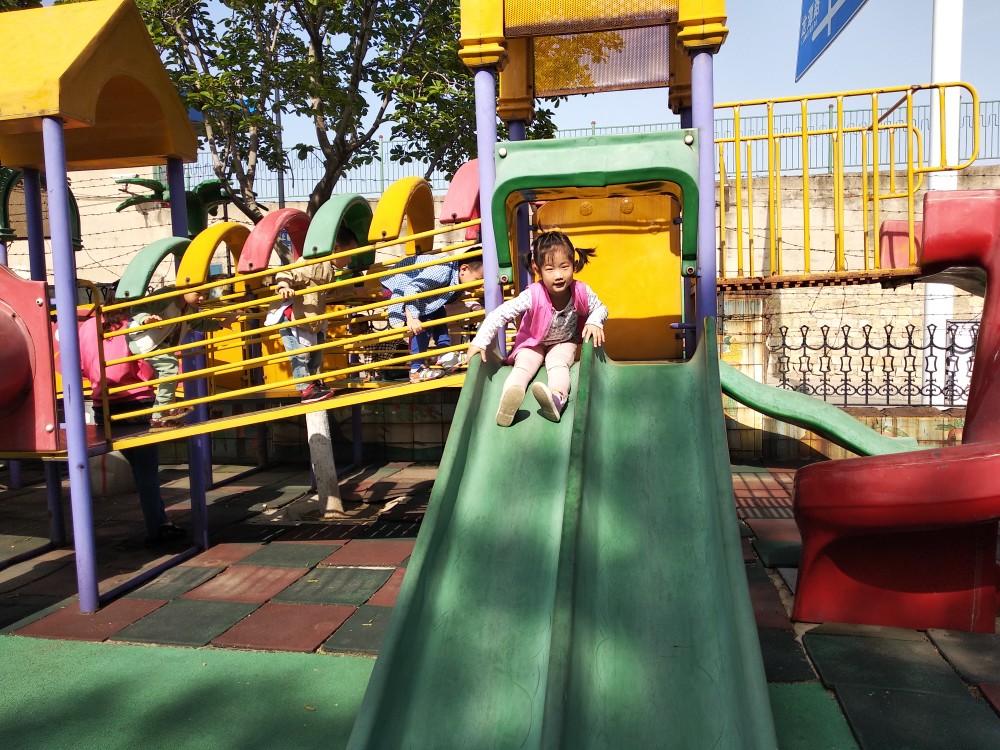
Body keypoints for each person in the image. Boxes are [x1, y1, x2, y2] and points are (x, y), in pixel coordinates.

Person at [467, 231, 608, 426]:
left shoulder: (581, 291)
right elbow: (499, 314)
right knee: (524, 365)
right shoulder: (533, 295)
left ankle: (556, 399)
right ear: (537, 269)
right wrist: (480, 342)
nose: (558, 275)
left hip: (563, 341)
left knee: (558, 364)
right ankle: (508, 401)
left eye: (564, 267)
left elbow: (601, 308)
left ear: (574, 265)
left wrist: (594, 321)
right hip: (533, 342)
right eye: (550, 269)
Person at [79, 307, 185, 546]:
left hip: (104, 406)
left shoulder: (86, 327)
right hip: (137, 402)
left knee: (140, 469)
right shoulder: (132, 325)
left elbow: (82, 366)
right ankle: (156, 528)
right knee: (146, 470)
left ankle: (161, 521)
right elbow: (148, 361)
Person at [264, 226, 360, 403]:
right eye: (350, 253)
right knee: (300, 355)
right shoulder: (313, 264)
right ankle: (305, 389)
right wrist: (284, 286)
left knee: (316, 353)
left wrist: (353, 290)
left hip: (311, 317)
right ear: (336, 248)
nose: (350, 258)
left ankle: (314, 383)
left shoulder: (329, 269)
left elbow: (330, 291)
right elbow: (288, 272)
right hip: (292, 317)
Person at [126, 287, 240, 430]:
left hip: (162, 344)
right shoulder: (167, 296)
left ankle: (166, 411)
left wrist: (220, 324)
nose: (202, 298)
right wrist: (145, 319)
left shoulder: (191, 307)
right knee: (170, 367)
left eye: (205, 294)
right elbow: (138, 308)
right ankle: (158, 417)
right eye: (198, 293)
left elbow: (197, 323)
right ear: (184, 288)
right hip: (143, 339)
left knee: (169, 377)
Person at [381, 252, 484, 383]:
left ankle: (445, 353)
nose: (479, 287)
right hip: (396, 284)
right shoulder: (443, 272)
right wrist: (412, 317)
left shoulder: (456, 279)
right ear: (464, 269)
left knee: (438, 310)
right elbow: (411, 288)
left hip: (413, 288)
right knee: (425, 319)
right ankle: (416, 369)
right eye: (477, 280)